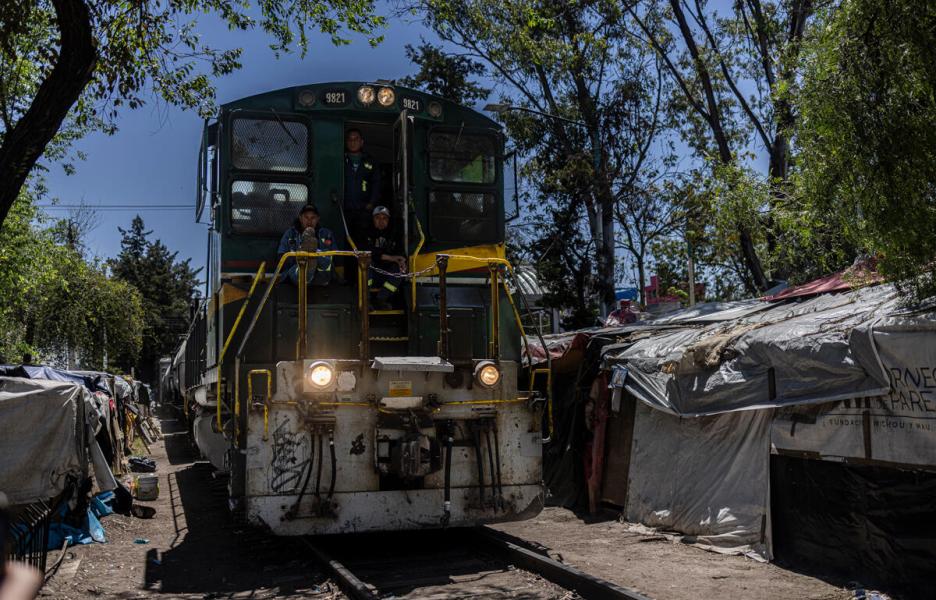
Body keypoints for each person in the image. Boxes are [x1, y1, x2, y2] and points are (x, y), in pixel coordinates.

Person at [277, 204, 334, 286]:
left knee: (325, 259)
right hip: (295, 277)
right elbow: (281, 257)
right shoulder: (290, 234)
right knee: (300, 267)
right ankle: (307, 267)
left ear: (318, 219)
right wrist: (299, 258)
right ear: (300, 218)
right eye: (306, 217)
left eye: (313, 218)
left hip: (321, 276)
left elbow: (334, 258)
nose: (309, 221)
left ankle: (312, 257)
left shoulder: (327, 234)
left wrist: (315, 255)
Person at [364, 206, 406, 310]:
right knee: (366, 263)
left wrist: (402, 260)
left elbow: (400, 253)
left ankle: (381, 299)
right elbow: (371, 253)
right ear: (372, 219)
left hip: (387, 275)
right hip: (372, 274)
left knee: (401, 269)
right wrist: (392, 258)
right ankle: (366, 300)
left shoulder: (393, 234)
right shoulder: (367, 233)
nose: (381, 221)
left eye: (384, 218)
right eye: (377, 218)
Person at [343, 128, 380, 240]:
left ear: (361, 142)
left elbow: (376, 183)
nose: (353, 142)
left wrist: (371, 203)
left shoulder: (370, 161)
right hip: (344, 209)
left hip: (364, 209)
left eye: (356, 139)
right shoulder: (341, 159)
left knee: (362, 240)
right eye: (350, 139)